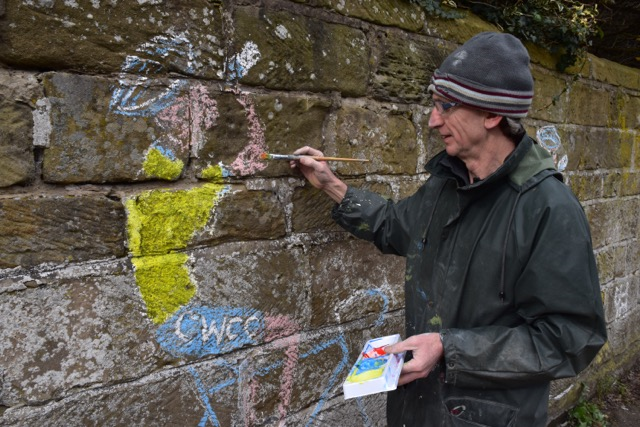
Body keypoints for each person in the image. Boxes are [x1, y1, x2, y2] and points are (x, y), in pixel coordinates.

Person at [291, 32, 607, 426]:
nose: (432, 120)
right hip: (417, 409)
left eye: (446, 106)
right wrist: (331, 186)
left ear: (491, 115)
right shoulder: (445, 184)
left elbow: (571, 338)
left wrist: (448, 348)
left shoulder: (547, 207)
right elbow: (395, 226)